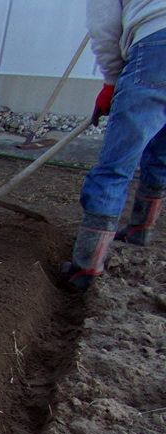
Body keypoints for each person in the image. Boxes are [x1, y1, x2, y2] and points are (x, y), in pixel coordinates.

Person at [62, 0, 166, 292]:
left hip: (157, 44)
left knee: (116, 167)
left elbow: (104, 25)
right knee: (162, 152)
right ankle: (141, 229)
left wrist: (111, 82)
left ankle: (85, 267)